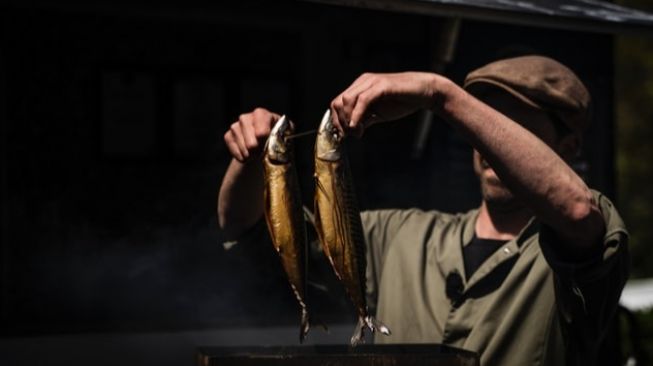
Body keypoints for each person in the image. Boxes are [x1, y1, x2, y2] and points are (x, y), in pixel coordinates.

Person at [217, 55, 629, 365]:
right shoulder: (399, 235)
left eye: (510, 131)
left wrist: (441, 95)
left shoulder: (576, 249)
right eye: (482, 130)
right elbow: (250, 228)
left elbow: (576, 210)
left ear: (568, 148)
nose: (489, 149)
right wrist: (253, 160)